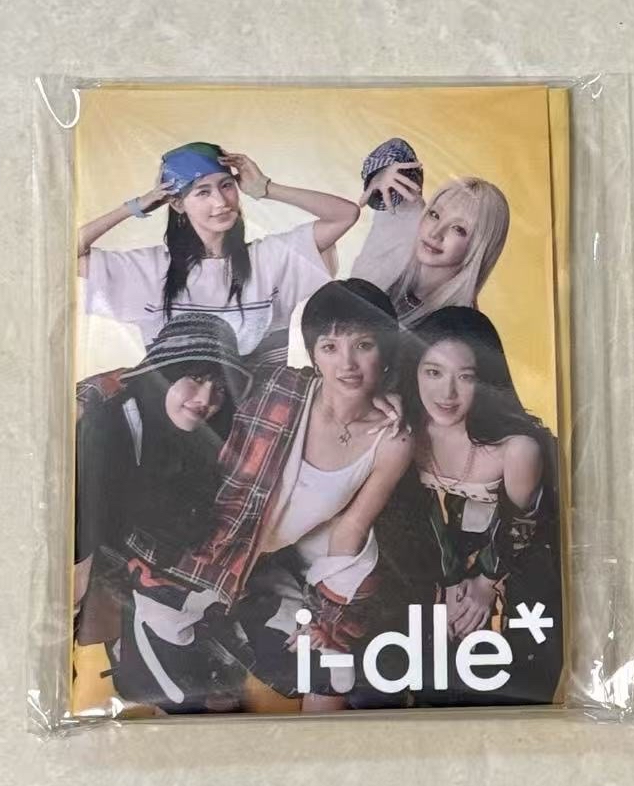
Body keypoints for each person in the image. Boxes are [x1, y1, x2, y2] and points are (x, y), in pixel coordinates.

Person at [110, 280, 412, 713]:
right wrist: (97, 394)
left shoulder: (393, 438)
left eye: (363, 345)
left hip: (261, 569)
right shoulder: (277, 388)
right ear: (314, 355)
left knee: (331, 669)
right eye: (330, 347)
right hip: (189, 555)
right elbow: (180, 380)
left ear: (386, 348)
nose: (347, 364)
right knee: (181, 698)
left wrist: (327, 620)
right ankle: (152, 631)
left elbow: (352, 529)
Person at [74, 315, 252, 709]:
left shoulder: (212, 430)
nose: (205, 399)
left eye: (219, 388)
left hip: (171, 555)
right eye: (195, 378)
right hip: (109, 559)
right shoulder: (110, 422)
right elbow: (82, 524)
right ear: (166, 373)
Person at [387, 306, 562, 705]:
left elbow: (522, 529)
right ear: (415, 372)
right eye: (433, 372)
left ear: (485, 379)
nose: (447, 394)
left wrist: (484, 586)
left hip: (507, 571)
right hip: (430, 573)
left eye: (465, 377)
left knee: (508, 686)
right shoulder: (401, 431)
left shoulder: (517, 448)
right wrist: (448, 585)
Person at [78, 141, 360, 365]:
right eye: (203, 192)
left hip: (263, 410)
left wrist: (266, 188)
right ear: (177, 204)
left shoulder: (269, 259)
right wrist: (135, 207)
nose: (221, 201)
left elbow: (346, 214)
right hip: (175, 413)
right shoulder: (150, 268)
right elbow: (67, 254)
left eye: (226, 186)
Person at [349, 138, 510, 331]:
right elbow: (397, 150)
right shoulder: (405, 228)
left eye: (458, 229)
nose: (435, 233)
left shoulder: (459, 328)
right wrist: (381, 173)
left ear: (480, 247)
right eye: (434, 215)